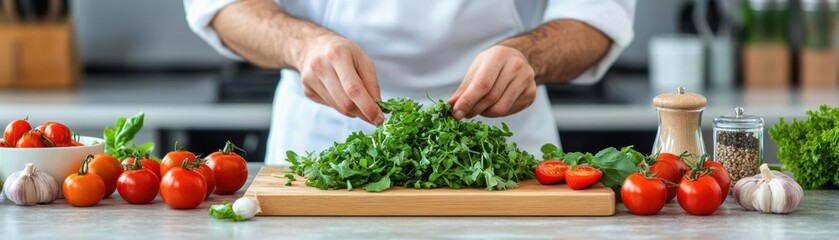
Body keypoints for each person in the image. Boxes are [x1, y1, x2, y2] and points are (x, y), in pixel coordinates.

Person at [184, 0, 635, 165]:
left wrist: (527, 56)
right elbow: (223, 6)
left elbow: (597, 16)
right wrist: (302, 45)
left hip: (506, 147)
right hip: (328, 138)